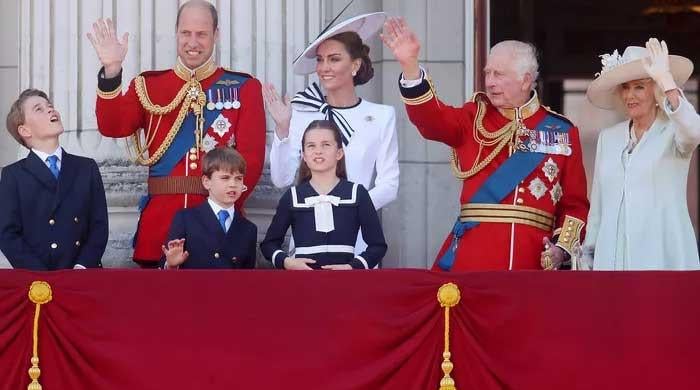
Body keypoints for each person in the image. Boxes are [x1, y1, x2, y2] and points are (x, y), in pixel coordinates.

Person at [381, 17, 589, 271]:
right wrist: (410, 66)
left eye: (499, 74)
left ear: (525, 80)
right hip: (473, 258)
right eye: (487, 73)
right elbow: (432, 120)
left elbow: (575, 205)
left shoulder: (561, 131)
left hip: (532, 261)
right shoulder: (474, 118)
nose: (489, 82)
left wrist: (561, 249)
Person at [87, 0, 266, 267]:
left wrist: (219, 211)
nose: (193, 42)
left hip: (218, 229)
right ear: (176, 33)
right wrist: (112, 71)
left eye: (202, 34)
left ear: (216, 35)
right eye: (186, 33)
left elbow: (251, 162)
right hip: (160, 227)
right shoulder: (148, 85)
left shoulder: (243, 88)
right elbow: (113, 126)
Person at [263, 12, 398, 255]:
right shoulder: (302, 111)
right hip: (306, 240)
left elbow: (389, 185)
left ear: (355, 65)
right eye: (321, 60)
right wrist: (283, 128)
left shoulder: (381, 116)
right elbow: (281, 180)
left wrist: (346, 209)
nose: (324, 68)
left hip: (358, 241)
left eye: (334, 59)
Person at [582, 38, 700, 270]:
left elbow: (695, 131)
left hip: (662, 256)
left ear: (655, 91)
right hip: (612, 260)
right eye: (625, 88)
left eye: (639, 87)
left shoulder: (674, 131)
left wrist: (666, 80)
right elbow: (598, 206)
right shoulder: (609, 137)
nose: (630, 96)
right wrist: (589, 255)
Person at [0, 89, 108, 270]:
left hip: (83, 276)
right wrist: (42, 276)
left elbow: (99, 226)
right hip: (38, 282)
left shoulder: (86, 168)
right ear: (24, 130)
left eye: (50, 106)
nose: (50, 110)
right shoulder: (13, 175)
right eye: (39, 109)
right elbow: (8, 234)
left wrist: (82, 267)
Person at [260, 120, 387, 270]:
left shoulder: (357, 194)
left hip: (345, 283)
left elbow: (377, 245)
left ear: (339, 153)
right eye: (311, 146)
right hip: (303, 285)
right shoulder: (292, 196)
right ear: (304, 155)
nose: (318, 151)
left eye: (326, 144)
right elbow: (269, 244)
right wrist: (288, 262)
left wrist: (352, 267)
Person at [162, 147, 257, 269]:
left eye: (238, 178)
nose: (233, 184)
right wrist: (170, 265)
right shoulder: (186, 219)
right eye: (225, 178)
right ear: (207, 182)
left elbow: (248, 279)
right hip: (193, 287)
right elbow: (167, 267)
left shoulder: (248, 229)